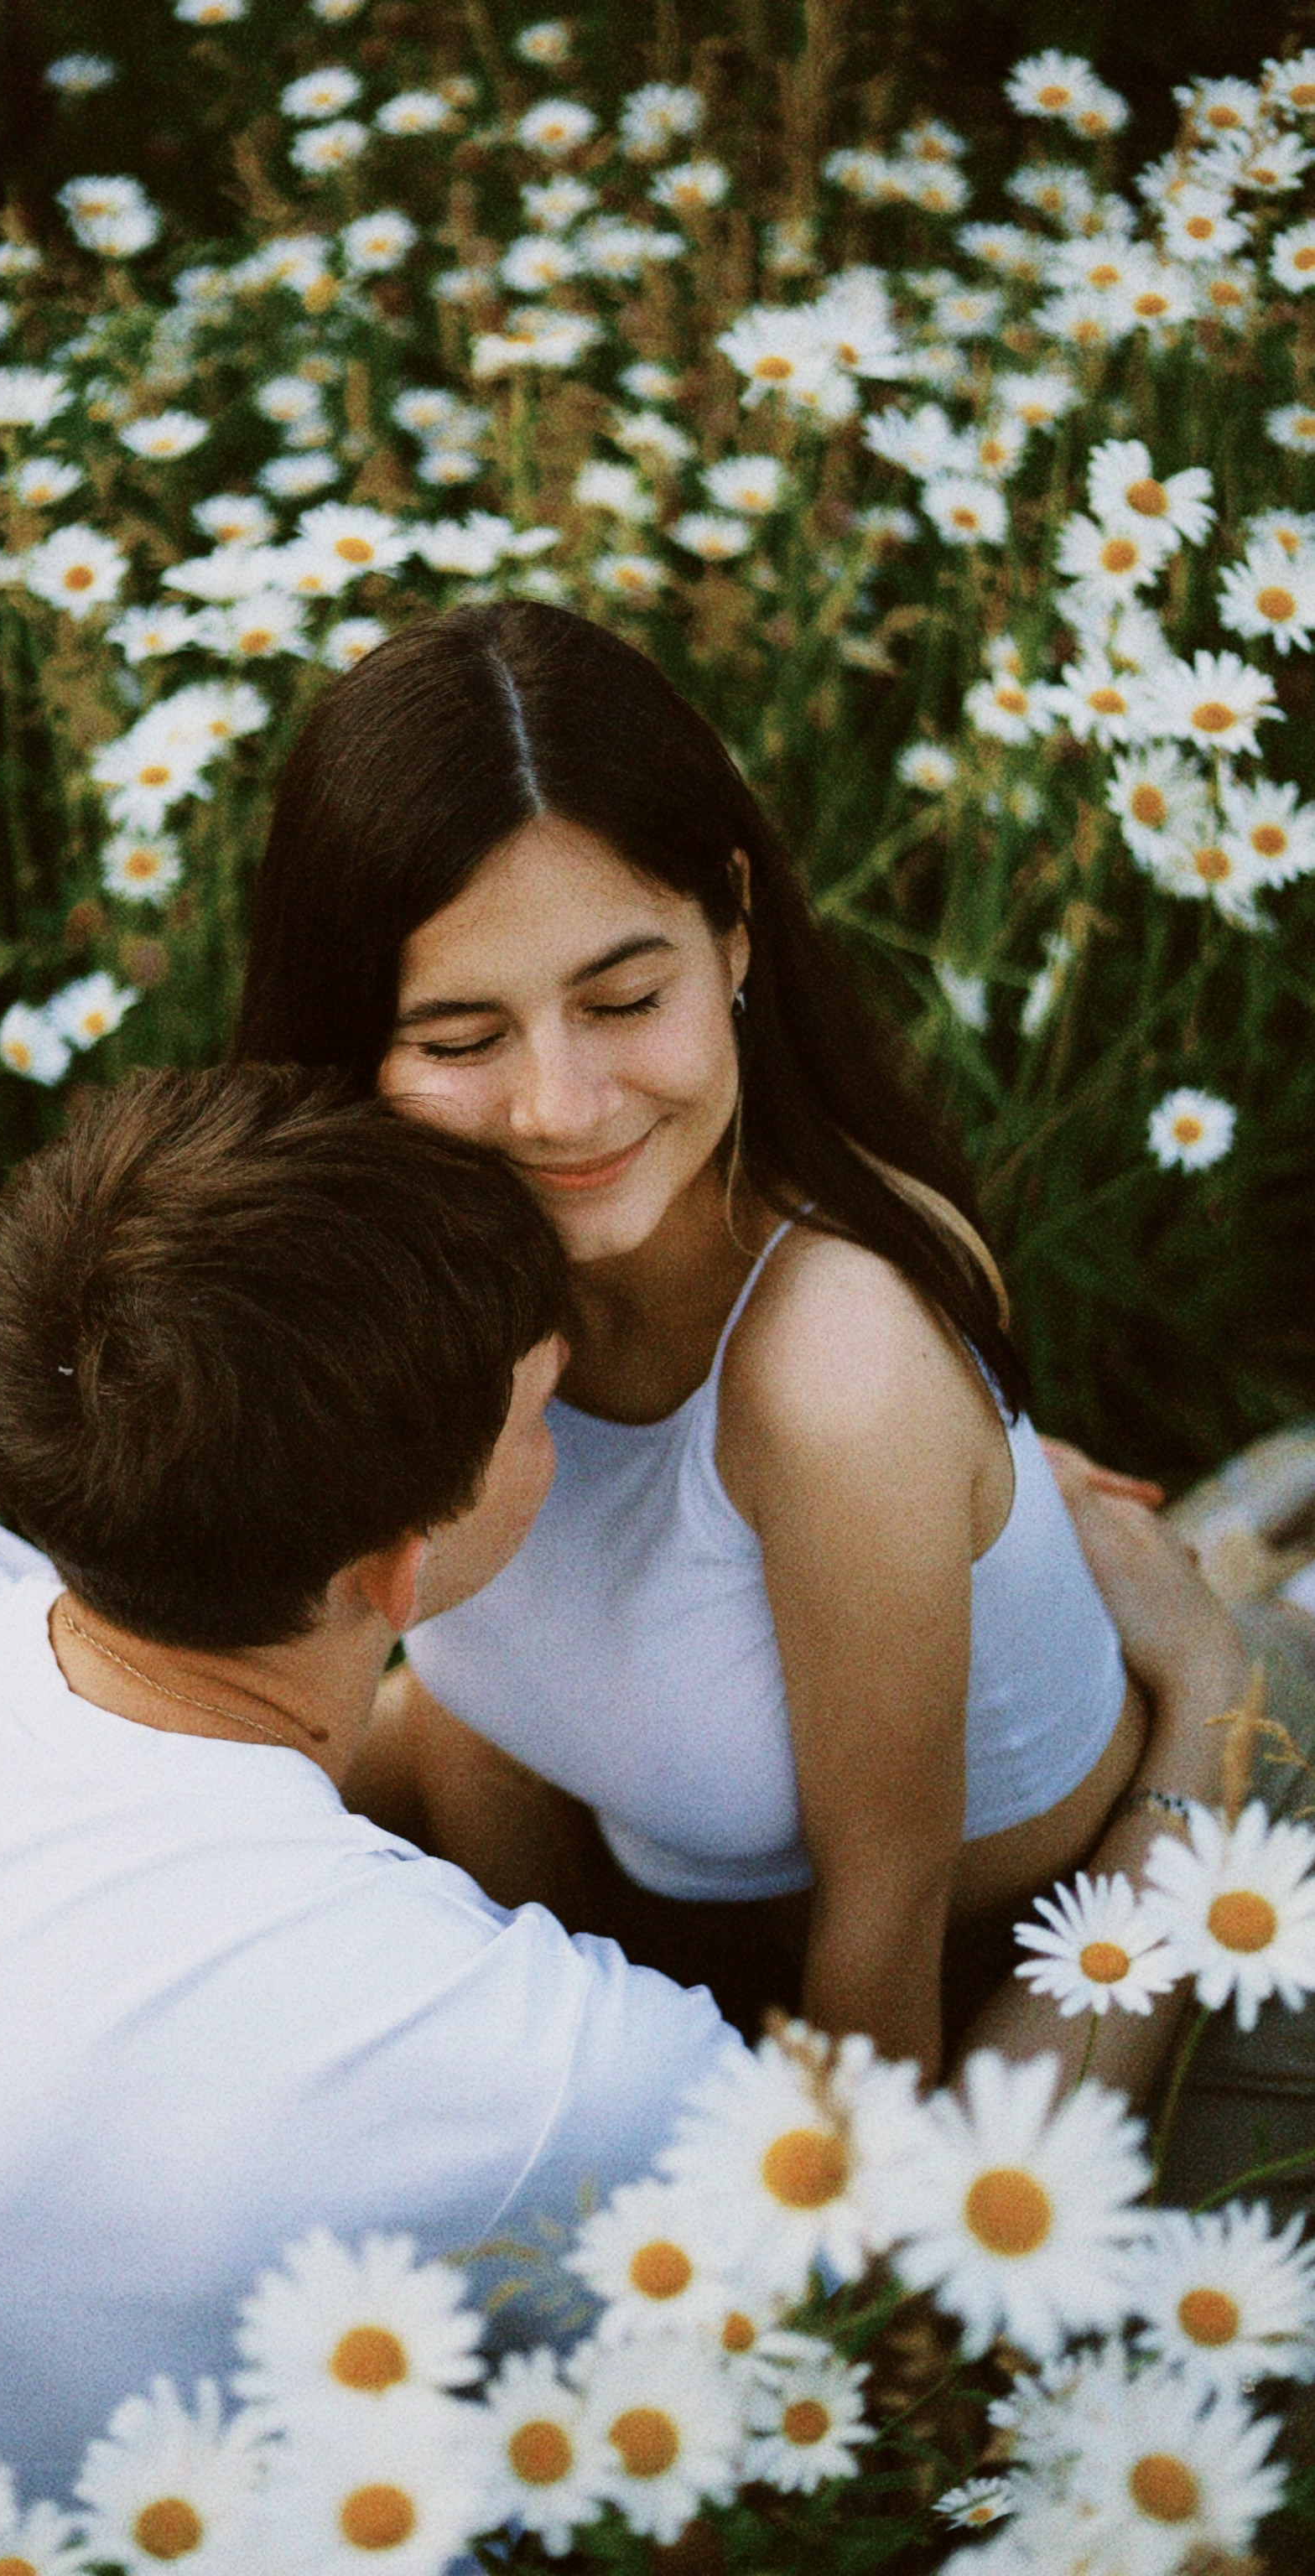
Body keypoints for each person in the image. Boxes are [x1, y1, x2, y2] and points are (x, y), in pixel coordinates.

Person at [233, 599, 1246, 2090]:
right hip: (642, 1902)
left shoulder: (840, 1372)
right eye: (459, 1039)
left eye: (626, 999)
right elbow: (476, 1698)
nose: (560, 1107)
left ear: (736, 931)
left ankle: (1224, 1686)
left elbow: (879, 1966)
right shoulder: (406, 1264)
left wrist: (1204, 1700)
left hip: (1018, 1947)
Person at [0, 1067, 744, 2490]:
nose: (562, 1446)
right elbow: (895, 2257)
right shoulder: (545, 2066)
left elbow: (234, 1820)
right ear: (394, 1566)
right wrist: (1162, 1777)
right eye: (538, 1418)